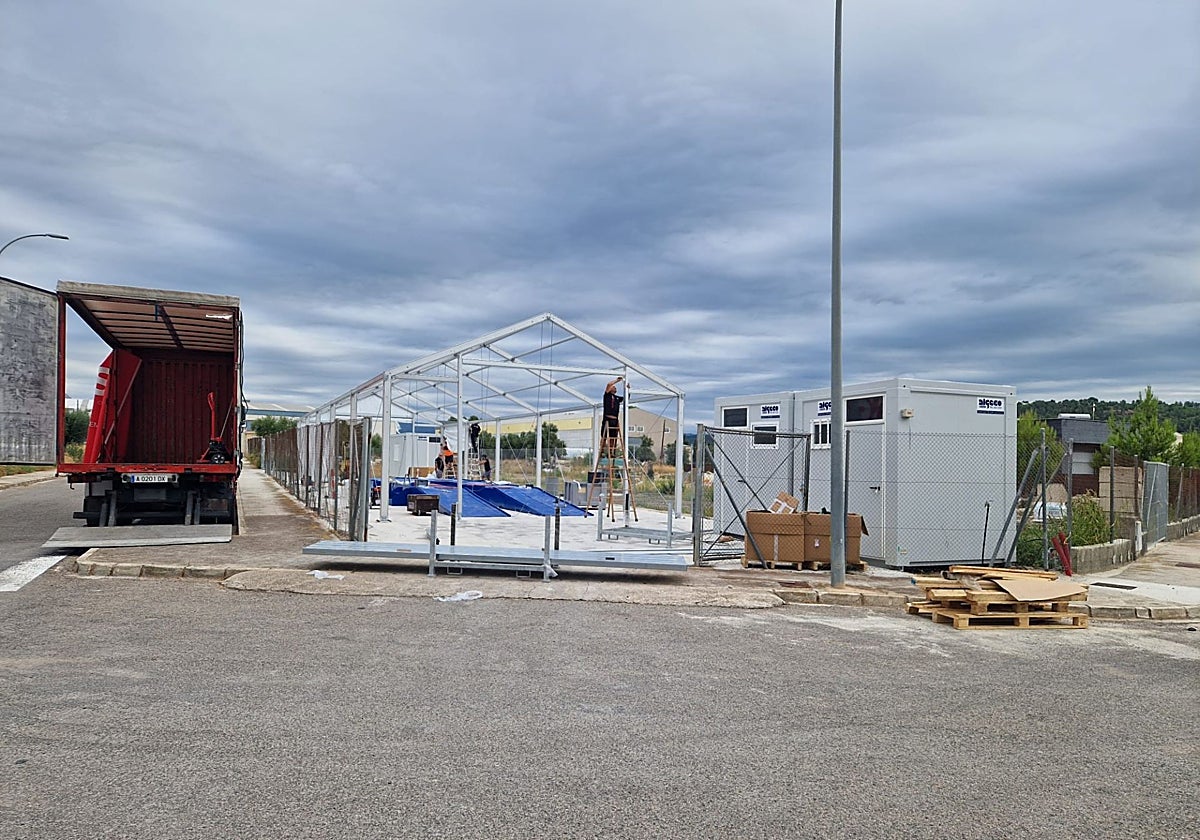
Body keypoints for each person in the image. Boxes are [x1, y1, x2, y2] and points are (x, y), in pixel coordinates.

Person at [600, 375, 624, 445]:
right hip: (607, 418)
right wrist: (617, 380)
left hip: (614, 419)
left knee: (613, 437)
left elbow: (626, 397)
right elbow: (609, 384)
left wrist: (627, 388)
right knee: (603, 435)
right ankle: (602, 449)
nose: (615, 387)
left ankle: (612, 452)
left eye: (615, 387)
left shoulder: (617, 398)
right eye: (613, 387)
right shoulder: (607, 395)